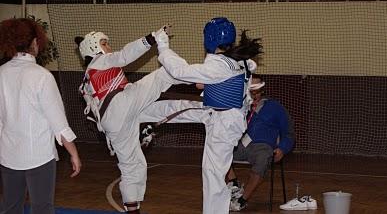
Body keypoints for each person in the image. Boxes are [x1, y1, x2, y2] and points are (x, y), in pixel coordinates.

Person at [138, 17, 263, 214]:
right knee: (177, 107)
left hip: (224, 123)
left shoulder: (221, 65)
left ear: (210, 39)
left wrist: (163, 45)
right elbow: (214, 80)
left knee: (213, 175)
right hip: (215, 111)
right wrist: (208, 81)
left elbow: (180, 71)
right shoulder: (239, 61)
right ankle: (136, 114)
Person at [74, 26, 185, 214]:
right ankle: (203, 80)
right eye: (104, 43)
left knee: (132, 168)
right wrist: (151, 38)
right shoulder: (100, 61)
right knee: (162, 75)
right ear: (94, 48)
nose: (108, 46)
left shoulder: (88, 77)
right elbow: (125, 55)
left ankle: (132, 210)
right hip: (120, 104)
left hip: (112, 124)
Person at [0, 17, 82, 214]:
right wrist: (74, 153)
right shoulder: (42, 76)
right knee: (42, 208)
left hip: (8, 154)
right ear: (35, 42)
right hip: (39, 155)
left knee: (10, 207)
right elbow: (58, 123)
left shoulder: (1, 73)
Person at [225, 76, 295, 211]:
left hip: (263, 146)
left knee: (262, 159)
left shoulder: (275, 107)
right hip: (242, 144)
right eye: (251, 90)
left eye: (257, 90)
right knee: (219, 151)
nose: (254, 94)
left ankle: (242, 200)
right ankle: (234, 184)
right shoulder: (241, 105)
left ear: (262, 90)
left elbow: (289, 133)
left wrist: (282, 148)